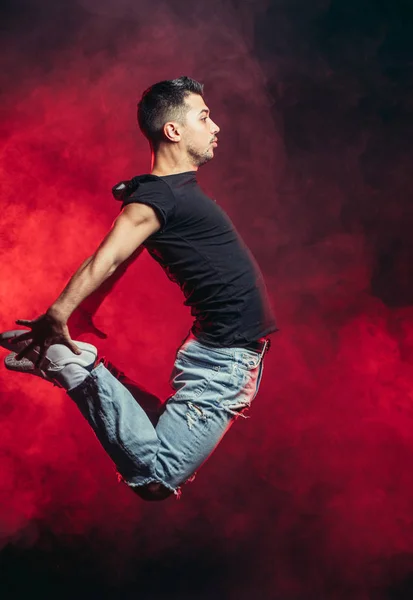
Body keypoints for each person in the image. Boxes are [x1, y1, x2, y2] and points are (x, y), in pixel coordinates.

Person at [0, 76, 277, 501]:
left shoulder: (166, 194)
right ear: (173, 131)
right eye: (204, 117)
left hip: (218, 353)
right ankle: (77, 368)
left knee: (149, 439)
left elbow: (121, 262)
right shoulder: (155, 199)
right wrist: (59, 314)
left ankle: (85, 368)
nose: (216, 126)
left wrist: (86, 310)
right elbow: (106, 257)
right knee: (155, 479)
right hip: (224, 363)